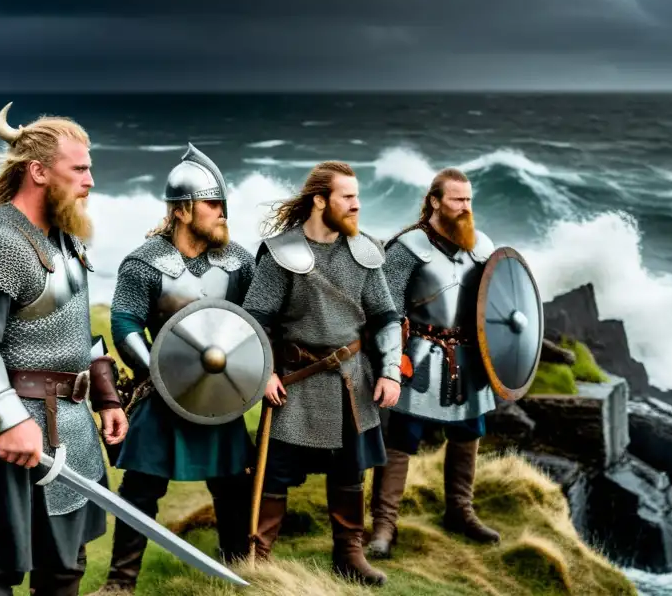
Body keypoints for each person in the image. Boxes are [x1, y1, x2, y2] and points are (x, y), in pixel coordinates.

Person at [0, 102, 128, 596]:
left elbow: (71, 329)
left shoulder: (62, 239)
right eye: (79, 168)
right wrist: (11, 420)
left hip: (69, 428)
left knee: (63, 572)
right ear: (38, 171)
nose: (91, 180)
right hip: (5, 438)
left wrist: (104, 395)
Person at [89, 144, 257, 595]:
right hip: (160, 396)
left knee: (233, 489)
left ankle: (241, 574)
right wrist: (159, 376)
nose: (222, 213)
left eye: (222, 204)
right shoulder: (145, 262)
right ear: (182, 211)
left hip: (219, 395)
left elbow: (255, 323)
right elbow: (124, 322)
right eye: (212, 204)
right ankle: (120, 584)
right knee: (141, 489)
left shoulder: (239, 261)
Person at [243, 161, 403, 587]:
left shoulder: (365, 250)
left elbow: (387, 319)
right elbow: (254, 321)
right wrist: (263, 374)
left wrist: (390, 372)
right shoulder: (282, 253)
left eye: (357, 196)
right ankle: (258, 557)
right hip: (293, 383)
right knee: (274, 473)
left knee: (350, 471)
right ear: (320, 200)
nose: (357, 205)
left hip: (352, 381)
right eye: (347, 197)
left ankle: (349, 554)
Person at [366, 168, 500, 559]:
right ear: (435, 201)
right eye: (457, 199)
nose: (465, 207)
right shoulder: (408, 249)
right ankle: (384, 526)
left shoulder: (482, 247)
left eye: (469, 200)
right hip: (419, 357)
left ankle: (460, 511)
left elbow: (497, 304)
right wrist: (388, 364)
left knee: (467, 434)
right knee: (400, 441)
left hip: (468, 358)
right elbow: (384, 310)